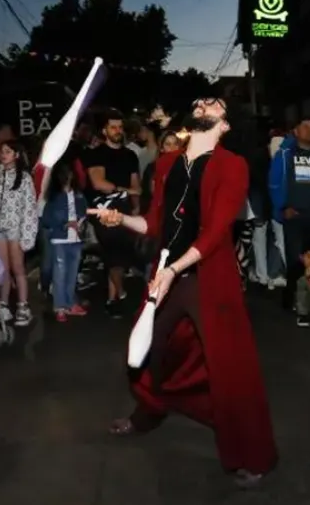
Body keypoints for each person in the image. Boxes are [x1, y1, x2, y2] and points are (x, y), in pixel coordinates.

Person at [89, 98, 277, 489]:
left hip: (208, 276)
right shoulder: (167, 165)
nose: (202, 102)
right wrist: (120, 218)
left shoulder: (232, 165)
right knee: (148, 351)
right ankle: (148, 413)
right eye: (200, 100)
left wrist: (175, 269)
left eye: (214, 102)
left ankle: (250, 453)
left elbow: (216, 230)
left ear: (224, 125)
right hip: (167, 272)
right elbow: (156, 222)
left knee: (228, 367)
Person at [269, 117, 310, 309]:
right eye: (305, 126)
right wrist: (282, 209)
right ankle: (293, 300)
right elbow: (274, 183)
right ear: (296, 131)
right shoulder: (285, 155)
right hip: (294, 216)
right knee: (294, 259)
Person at [0, 140, 38, 327]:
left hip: (15, 229)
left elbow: (30, 207)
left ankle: (23, 306)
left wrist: (28, 235)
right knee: (2, 270)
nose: (3, 155)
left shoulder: (25, 178)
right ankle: (3, 305)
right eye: (2, 152)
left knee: (18, 268)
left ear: (16, 155)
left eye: (8, 151)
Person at [85, 110, 141, 318]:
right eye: (113, 127)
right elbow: (99, 183)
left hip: (127, 210)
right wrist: (126, 190)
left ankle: (112, 299)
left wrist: (136, 207)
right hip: (104, 210)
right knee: (115, 255)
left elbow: (136, 185)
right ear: (104, 130)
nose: (118, 131)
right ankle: (123, 295)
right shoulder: (96, 153)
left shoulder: (130, 155)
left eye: (120, 127)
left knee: (117, 256)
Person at [40, 163, 89, 322]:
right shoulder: (54, 197)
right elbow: (46, 219)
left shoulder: (79, 195)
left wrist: (81, 224)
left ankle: (69, 303)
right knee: (60, 273)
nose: (68, 177)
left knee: (72, 274)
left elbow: (85, 213)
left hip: (76, 238)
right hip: (60, 238)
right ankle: (60, 306)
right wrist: (65, 224)